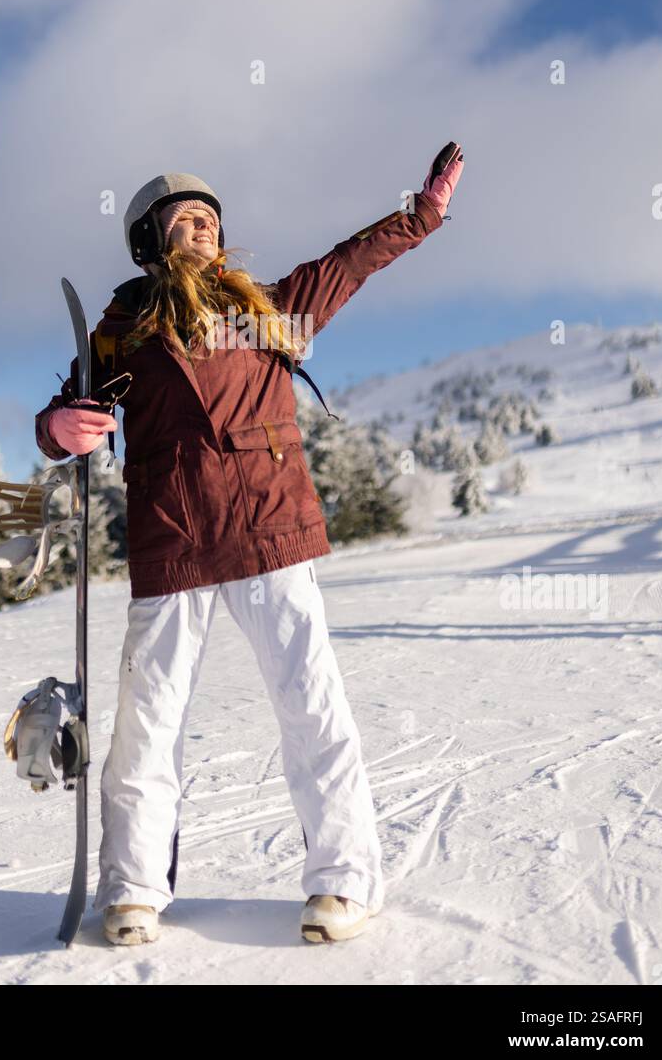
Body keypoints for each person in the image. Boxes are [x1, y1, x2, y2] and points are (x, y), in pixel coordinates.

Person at [34, 152, 464, 945]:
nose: (200, 227)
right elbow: (69, 410)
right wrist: (60, 429)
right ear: (149, 241)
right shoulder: (122, 330)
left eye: (208, 218)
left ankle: (343, 881)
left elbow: (349, 261)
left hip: (270, 528)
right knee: (146, 723)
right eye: (181, 220)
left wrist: (421, 215)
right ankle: (131, 889)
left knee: (311, 705)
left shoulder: (270, 310)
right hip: (173, 538)